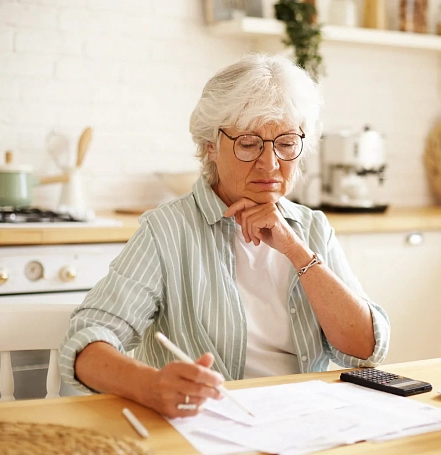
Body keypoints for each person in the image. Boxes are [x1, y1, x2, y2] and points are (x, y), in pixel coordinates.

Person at [59, 54, 390, 418]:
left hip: (302, 423)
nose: (270, 163)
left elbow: (365, 348)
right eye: (248, 144)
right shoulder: (168, 230)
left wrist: (296, 251)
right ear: (209, 146)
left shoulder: (311, 228)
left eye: (286, 142)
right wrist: (151, 387)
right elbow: (86, 343)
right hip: (209, 428)